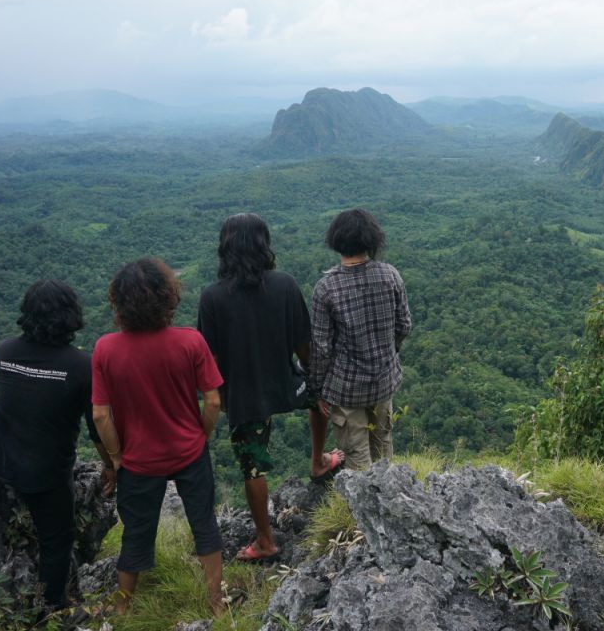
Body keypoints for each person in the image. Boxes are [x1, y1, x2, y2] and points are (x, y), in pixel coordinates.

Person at [197, 213, 345, 563]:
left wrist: (214, 401)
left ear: (225, 248)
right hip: (286, 382)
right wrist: (316, 383)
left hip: (243, 394)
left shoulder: (213, 297)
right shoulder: (285, 285)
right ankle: (318, 461)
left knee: (253, 466)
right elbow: (304, 347)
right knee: (315, 398)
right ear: (264, 245)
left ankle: (265, 540)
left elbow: (210, 361)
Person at [90, 258, 224, 616]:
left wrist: (116, 457)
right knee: (204, 523)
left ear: (120, 303)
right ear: (168, 297)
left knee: (136, 531)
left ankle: (123, 608)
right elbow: (212, 400)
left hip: (138, 459)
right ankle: (216, 603)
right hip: (189, 451)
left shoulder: (105, 349)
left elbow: (100, 414)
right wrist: (201, 436)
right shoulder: (190, 342)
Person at [0, 279, 115, 613]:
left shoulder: (5, 351)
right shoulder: (82, 367)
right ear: (71, 316)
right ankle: (51, 609)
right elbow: (96, 429)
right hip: (43, 472)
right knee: (57, 538)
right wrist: (111, 466)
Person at [310, 209, 411, 471]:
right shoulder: (390, 275)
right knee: (383, 445)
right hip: (384, 381)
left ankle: (362, 508)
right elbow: (404, 325)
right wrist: (388, 353)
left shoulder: (326, 288)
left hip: (346, 389)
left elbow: (321, 348)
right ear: (372, 239)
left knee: (356, 457)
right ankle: (391, 501)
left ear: (336, 241)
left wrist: (318, 390)